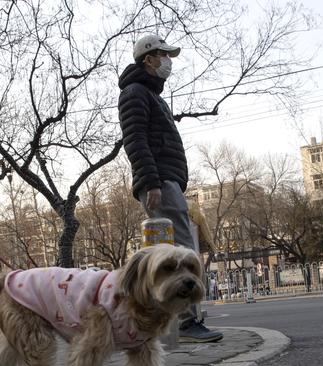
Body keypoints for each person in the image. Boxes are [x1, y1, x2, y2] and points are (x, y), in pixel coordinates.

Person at [117, 34, 223, 343]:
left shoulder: (150, 94)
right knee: (179, 251)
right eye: (164, 55)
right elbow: (134, 138)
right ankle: (187, 322)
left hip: (166, 180)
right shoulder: (136, 92)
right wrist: (151, 181)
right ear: (148, 58)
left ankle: (174, 321)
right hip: (159, 181)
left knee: (178, 248)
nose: (168, 62)